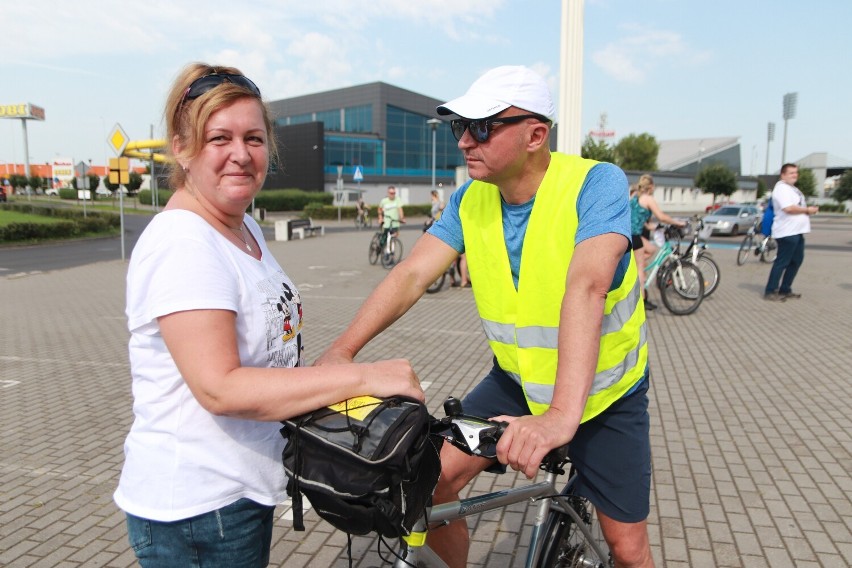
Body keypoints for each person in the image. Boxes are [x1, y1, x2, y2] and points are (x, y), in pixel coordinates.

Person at [317, 65, 654, 568]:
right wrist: (342, 351)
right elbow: (411, 275)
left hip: (605, 393)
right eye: (459, 127)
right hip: (517, 380)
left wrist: (560, 416)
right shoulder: (471, 199)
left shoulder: (595, 183)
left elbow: (587, 286)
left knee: (627, 549)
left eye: (481, 127)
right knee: (430, 485)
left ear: (535, 134)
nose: (464, 142)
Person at [113, 62, 423, 568]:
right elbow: (221, 388)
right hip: (197, 508)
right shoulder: (184, 243)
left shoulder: (243, 227)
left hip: (237, 493)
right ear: (181, 148)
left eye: (254, 138)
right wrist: (360, 376)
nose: (241, 154)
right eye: (220, 137)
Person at [630, 174, 686, 311]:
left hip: (631, 233)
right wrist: (678, 223)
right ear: (651, 187)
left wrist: (656, 227)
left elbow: (645, 223)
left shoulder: (635, 197)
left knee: (651, 249)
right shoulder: (648, 199)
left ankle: (634, 268)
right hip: (634, 235)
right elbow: (661, 216)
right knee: (640, 270)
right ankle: (641, 301)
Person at [764, 163, 818, 301]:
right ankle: (770, 291)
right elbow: (788, 208)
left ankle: (785, 289)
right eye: (791, 173)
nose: (794, 175)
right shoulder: (781, 189)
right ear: (783, 175)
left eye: (796, 172)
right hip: (787, 232)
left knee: (796, 261)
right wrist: (807, 210)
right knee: (782, 262)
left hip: (797, 232)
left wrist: (808, 211)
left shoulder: (792, 189)